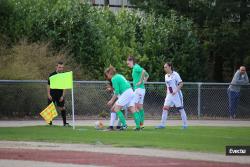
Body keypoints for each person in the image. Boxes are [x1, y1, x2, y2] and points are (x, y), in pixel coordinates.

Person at [104, 65, 141, 130]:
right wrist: (111, 89)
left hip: (126, 92)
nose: (107, 76)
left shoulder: (113, 78)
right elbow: (120, 86)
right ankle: (138, 126)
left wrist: (111, 101)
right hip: (130, 91)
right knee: (132, 109)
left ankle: (124, 125)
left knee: (116, 108)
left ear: (109, 73)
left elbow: (117, 91)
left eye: (107, 74)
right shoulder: (118, 75)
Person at [155, 62, 188, 129]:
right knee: (165, 108)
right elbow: (168, 86)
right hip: (169, 95)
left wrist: (175, 91)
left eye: (166, 67)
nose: (164, 68)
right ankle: (162, 125)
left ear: (170, 67)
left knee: (180, 109)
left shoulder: (175, 74)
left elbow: (181, 84)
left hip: (177, 95)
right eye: (164, 67)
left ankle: (185, 125)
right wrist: (168, 94)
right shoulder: (166, 76)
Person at [127, 56, 149, 129]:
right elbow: (147, 75)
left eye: (128, 63)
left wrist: (140, 81)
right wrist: (143, 81)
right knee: (140, 107)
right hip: (142, 89)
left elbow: (143, 71)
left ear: (131, 61)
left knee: (134, 106)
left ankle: (138, 126)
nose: (128, 65)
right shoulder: (136, 67)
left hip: (138, 89)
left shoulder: (136, 67)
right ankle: (141, 125)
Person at [47, 61, 70, 126]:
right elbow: (48, 85)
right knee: (50, 108)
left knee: (62, 108)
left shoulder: (63, 75)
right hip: (52, 94)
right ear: (56, 67)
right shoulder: (52, 75)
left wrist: (62, 96)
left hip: (60, 94)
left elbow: (64, 86)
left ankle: (65, 123)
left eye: (62, 67)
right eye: (59, 67)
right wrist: (48, 94)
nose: (61, 69)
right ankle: (50, 123)